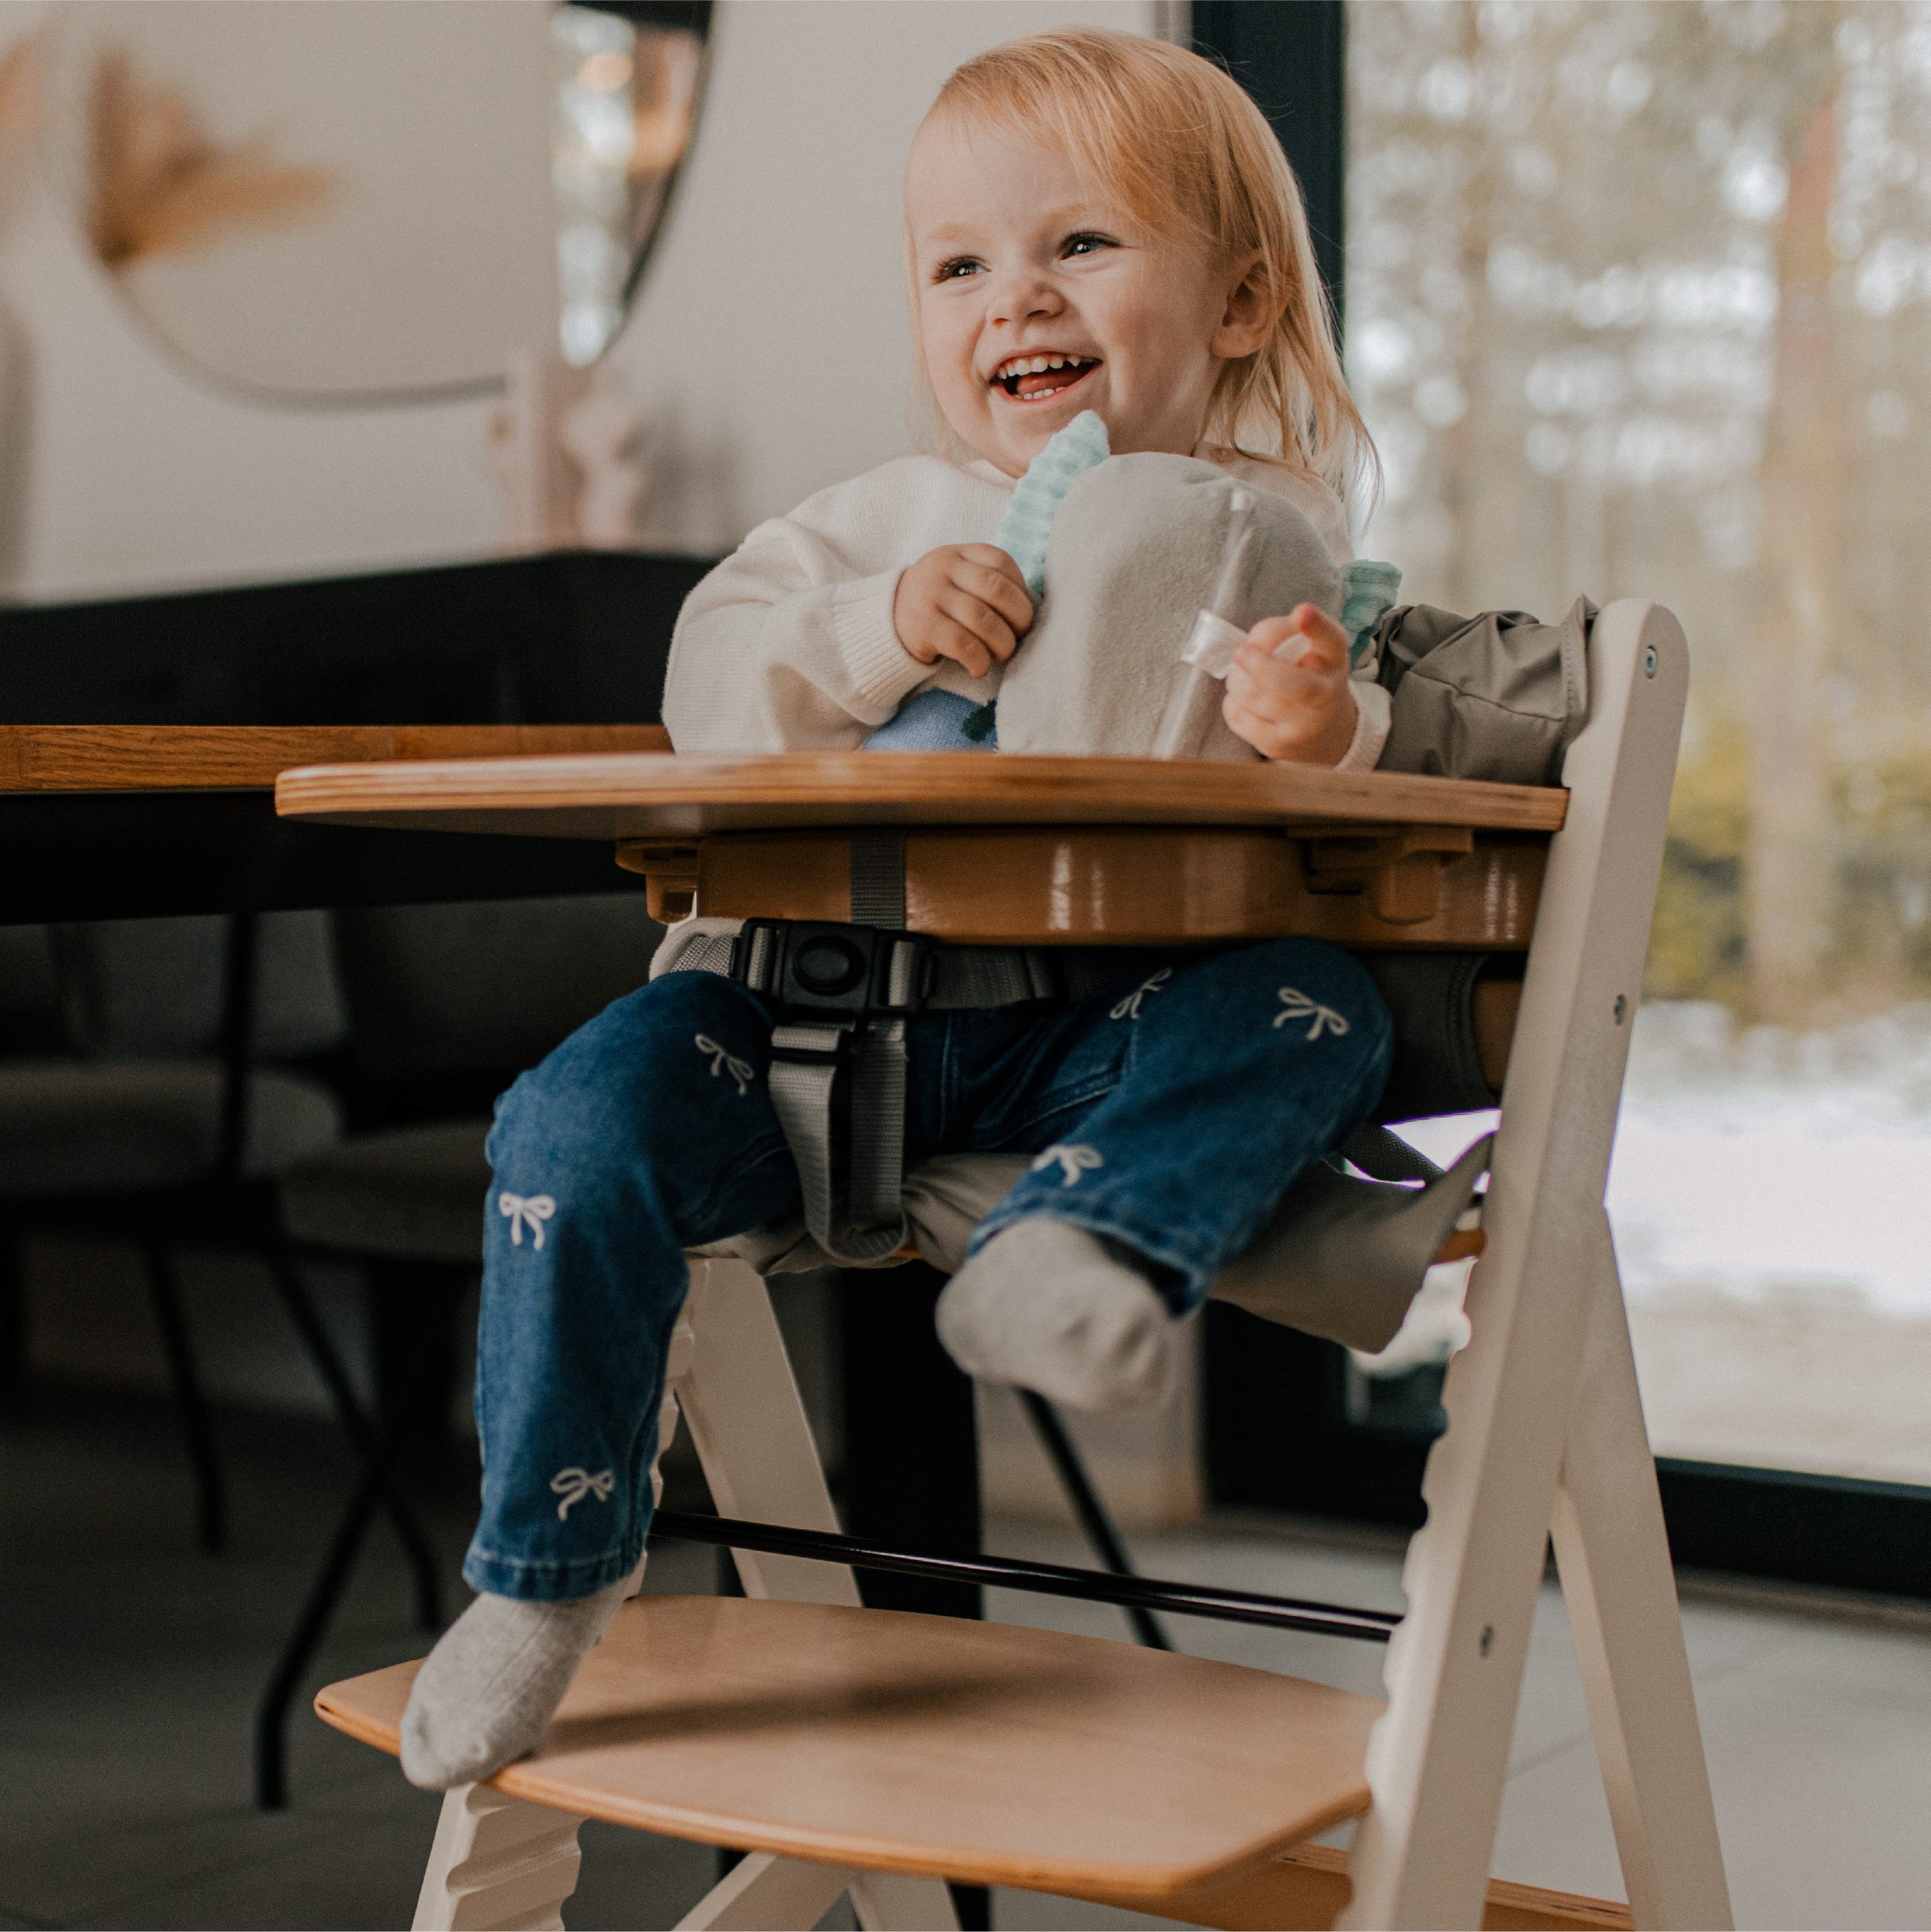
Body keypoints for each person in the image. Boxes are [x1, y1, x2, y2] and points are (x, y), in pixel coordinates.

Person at [400, 26, 1395, 1792]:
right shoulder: (878, 518)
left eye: (1079, 243)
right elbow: (708, 687)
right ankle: (543, 1574)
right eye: (960, 264)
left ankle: (1075, 1247)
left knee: (1317, 998)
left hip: (1087, 1041)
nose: (1014, 296)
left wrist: (1318, 722)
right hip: (790, 1022)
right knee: (568, 1120)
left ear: (1238, 304)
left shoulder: (1270, 538)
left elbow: (1356, 761)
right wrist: (873, 628)